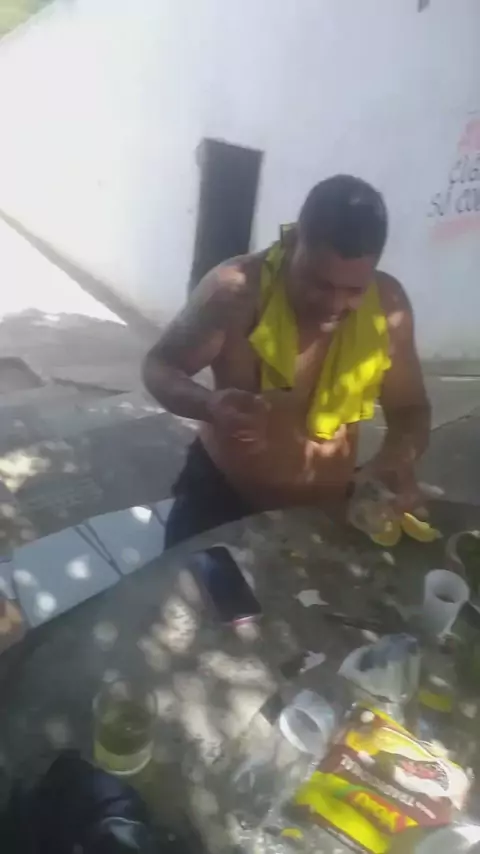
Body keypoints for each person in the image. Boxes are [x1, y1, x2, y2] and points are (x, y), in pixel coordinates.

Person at [143, 175, 431, 546]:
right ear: (294, 241)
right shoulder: (235, 292)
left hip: (325, 513)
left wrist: (395, 460)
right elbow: (159, 366)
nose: (334, 305)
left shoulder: (389, 307)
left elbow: (410, 409)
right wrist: (209, 405)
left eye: (354, 290)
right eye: (320, 283)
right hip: (220, 502)